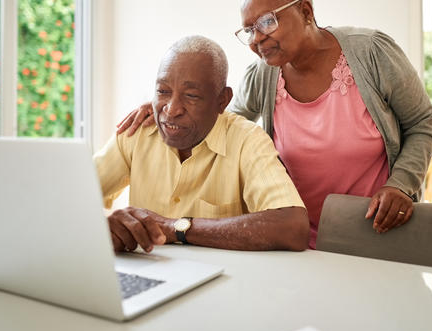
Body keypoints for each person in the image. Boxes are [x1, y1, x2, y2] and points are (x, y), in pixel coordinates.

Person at [118, 0, 432, 248]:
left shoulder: (371, 53)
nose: (257, 39)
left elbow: (424, 123)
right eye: (249, 30)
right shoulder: (264, 74)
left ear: (306, 11)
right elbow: (223, 120)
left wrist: (400, 184)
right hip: (294, 238)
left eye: (267, 22)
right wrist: (171, 103)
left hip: (375, 231)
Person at [96, 35, 309, 253]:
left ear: (222, 100)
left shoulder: (247, 141)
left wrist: (175, 228)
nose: (171, 109)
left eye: (191, 96)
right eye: (163, 91)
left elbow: (293, 228)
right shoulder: (136, 133)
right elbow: (69, 199)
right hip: (149, 275)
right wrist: (109, 224)